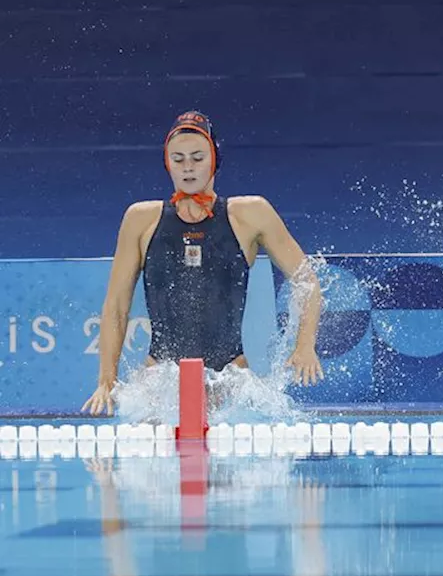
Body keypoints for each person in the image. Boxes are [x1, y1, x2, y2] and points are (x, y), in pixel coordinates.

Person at [83, 111, 324, 416]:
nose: (188, 168)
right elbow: (116, 306)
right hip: (160, 386)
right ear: (167, 163)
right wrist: (106, 380)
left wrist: (305, 345)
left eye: (197, 158)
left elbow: (307, 281)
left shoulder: (251, 215)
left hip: (230, 384)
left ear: (214, 160)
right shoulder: (140, 219)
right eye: (178, 159)